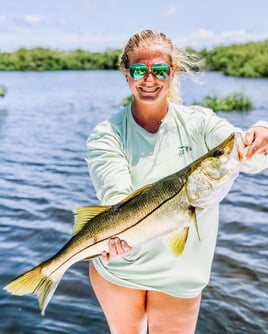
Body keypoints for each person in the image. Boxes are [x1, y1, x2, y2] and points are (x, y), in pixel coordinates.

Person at [86, 30, 268, 334]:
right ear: (125, 74)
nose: (149, 79)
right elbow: (117, 197)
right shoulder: (106, 135)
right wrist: (117, 238)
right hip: (118, 269)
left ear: (173, 73)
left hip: (181, 275)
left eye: (159, 70)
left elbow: (249, 156)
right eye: (139, 70)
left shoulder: (200, 123)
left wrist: (262, 129)